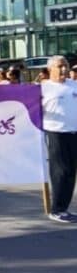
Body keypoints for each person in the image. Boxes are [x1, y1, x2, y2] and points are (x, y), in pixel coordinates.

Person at [41, 55, 77, 223]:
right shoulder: (43, 88)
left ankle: (64, 208)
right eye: (60, 66)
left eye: (66, 66)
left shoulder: (73, 85)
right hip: (56, 133)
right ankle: (56, 209)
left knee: (71, 172)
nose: (64, 69)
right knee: (61, 172)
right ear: (50, 70)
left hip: (74, 133)